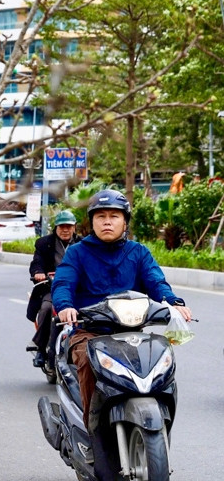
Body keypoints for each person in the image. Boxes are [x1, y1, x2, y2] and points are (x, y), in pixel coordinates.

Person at [51, 189, 192, 480]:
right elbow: (63, 283)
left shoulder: (138, 252)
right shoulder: (77, 253)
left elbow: (156, 282)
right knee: (88, 364)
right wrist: (65, 306)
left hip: (131, 333)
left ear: (124, 221)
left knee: (161, 365)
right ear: (91, 222)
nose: (107, 221)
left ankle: (158, 431)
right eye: (100, 216)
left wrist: (173, 302)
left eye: (114, 216)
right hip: (89, 332)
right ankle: (92, 432)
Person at [27, 210, 80, 368]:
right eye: (62, 226)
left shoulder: (83, 244)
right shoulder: (44, 244)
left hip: (78, 289)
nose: (65, 230)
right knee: (46, 308)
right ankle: (41, 349)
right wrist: (38, 273)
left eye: (68, 226)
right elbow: (36, 263)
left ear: (74, 227)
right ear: (56, 227)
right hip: (52, 287)